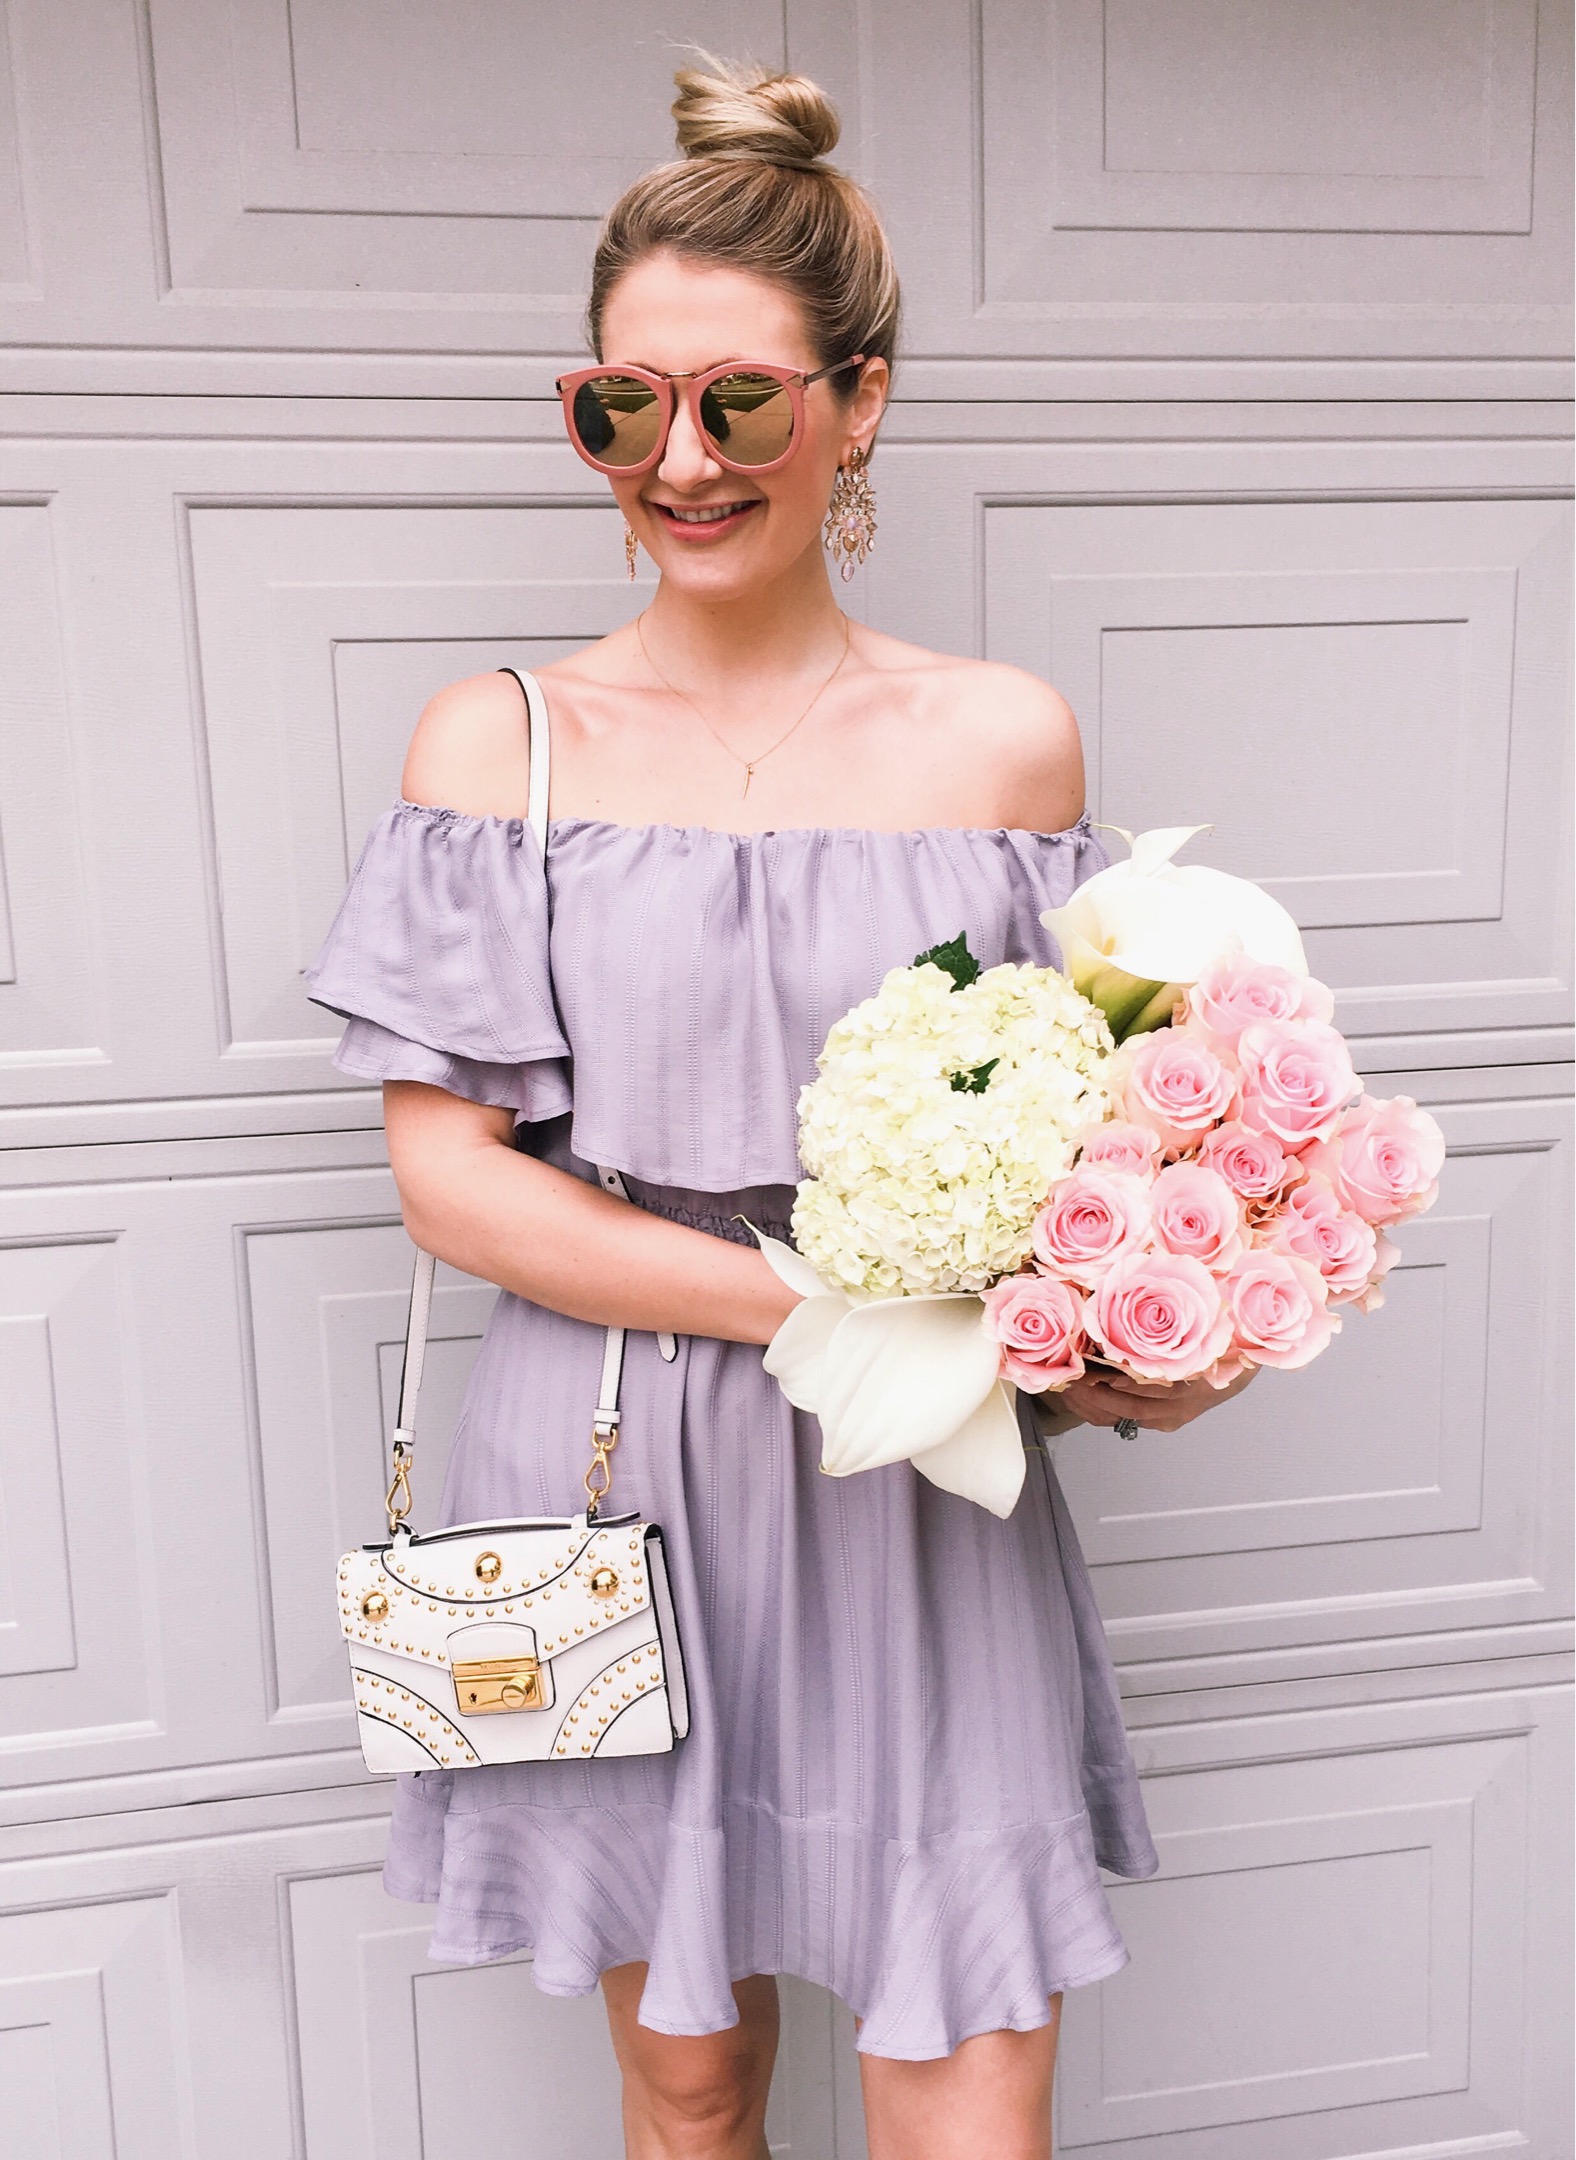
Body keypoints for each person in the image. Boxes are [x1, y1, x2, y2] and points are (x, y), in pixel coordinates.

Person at [307, 58, 1255, 2160]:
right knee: (687, 2079)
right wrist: (842, 1313)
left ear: (859, 398)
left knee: (964, 2084)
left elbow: (1091, 1127)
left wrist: (1130, 1328)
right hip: (607, 1461)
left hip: (924, 1495)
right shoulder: (498, 744)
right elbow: (452, 1186)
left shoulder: (999, 741)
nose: (677, 457)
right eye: (617, 404)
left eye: (733, 399)